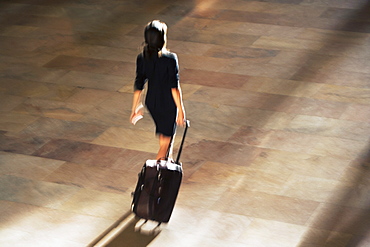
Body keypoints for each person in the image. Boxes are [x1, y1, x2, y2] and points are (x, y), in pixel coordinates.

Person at [130, 20, 186, 161]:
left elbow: (139, 84)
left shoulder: (142, 58)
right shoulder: (170, 59)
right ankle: (154, 177)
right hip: (167, 104)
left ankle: (167, 168)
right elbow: (174, 87)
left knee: (165, 137)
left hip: (152, 102)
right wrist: (180, 109)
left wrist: (135, 107)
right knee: (165, 144)